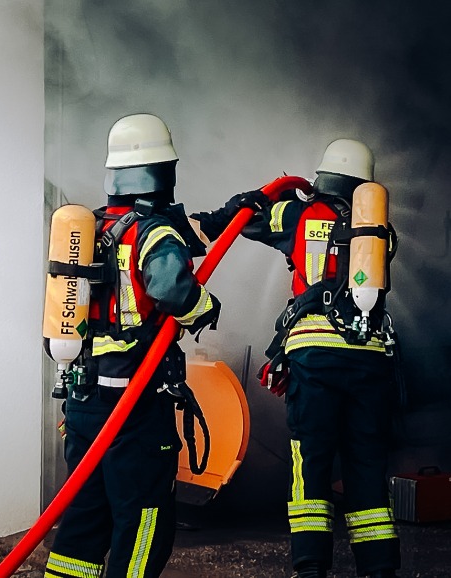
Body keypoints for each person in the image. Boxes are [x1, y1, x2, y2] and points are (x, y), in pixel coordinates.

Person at [190, 139, 401, 578]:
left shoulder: (301, 213)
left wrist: (258, 198)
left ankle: (310, 568)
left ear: (322, 177)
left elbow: (249, 221)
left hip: (315, 359)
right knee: (366, 463)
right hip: (370, 361)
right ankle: (379, 569)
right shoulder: (379, 231)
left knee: (312, 463)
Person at [44, 113, 221, 578]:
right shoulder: (153, 232)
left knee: (83, 522)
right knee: (144, 526)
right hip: (135, 409)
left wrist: (227, 218)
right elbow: (172, 288)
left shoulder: (96, 230)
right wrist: (206, 309)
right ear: (163, 171)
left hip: (84, 405)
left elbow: (187, 235)